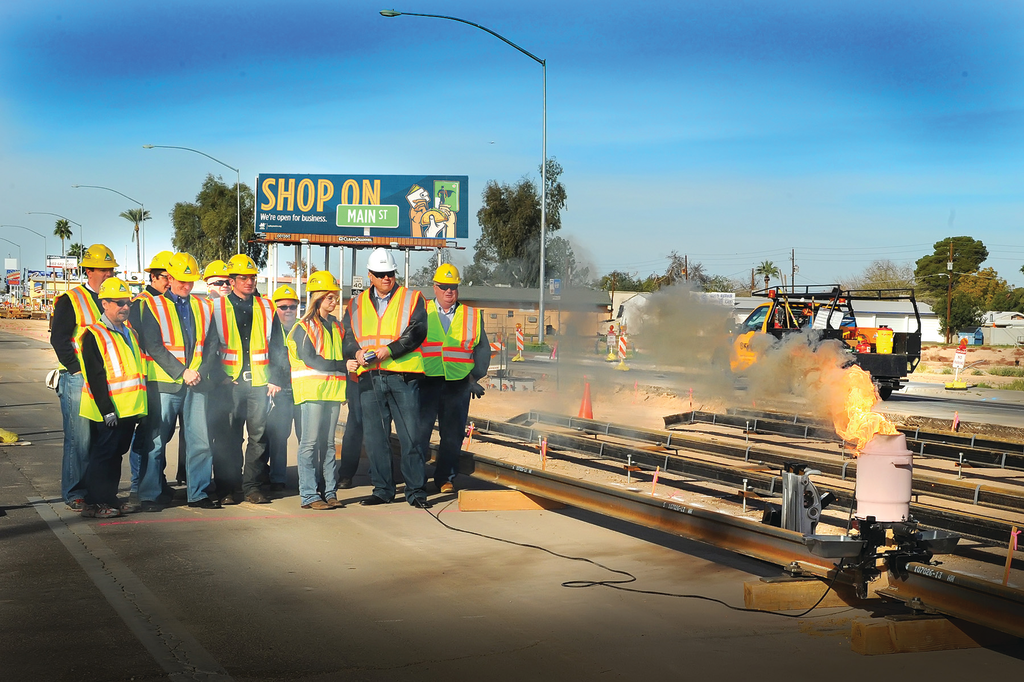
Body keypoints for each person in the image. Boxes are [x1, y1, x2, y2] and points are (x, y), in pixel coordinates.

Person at [341, 248, 430, 508]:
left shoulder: (412, 298)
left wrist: (389, 350)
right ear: (370, 276)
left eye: (390, 274)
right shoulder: (355, 303)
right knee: (376, 438)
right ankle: (382, 490)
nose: (386, 279)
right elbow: (348, 336)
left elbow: (417, 331)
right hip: (370, 377)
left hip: (403, 377)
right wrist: (356, 351)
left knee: (410, 435)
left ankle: (415, 492)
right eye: (380, 275)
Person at [137, 253, 223, 509]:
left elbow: (211, 344)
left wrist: (199, 371)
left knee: (200, 441)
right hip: (165, 384)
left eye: (190, 282)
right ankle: (149, 494)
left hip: (196, 384)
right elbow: (153, 345)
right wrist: (182, 371)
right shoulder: (151, 306)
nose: (187, 286)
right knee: (155, 442)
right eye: (182, 281)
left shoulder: (203, 306)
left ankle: (198, 493)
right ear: (170, 278)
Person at [209, 254, 288, 504]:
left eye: (252, 277)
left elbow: (277, 345)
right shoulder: (217, 307)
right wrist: (220, 376)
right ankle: (227, 488)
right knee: (229, 438)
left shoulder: (266, 306)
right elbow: (208, 345)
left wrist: (276, 377)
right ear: (232, 281)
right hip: (229, 384)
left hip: (258, 383)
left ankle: (252, 487)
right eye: (243, 277)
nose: (249, 281)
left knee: (258, 437)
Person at [49, 243, 117, 510]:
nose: (108, 275)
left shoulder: (115, 300)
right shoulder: (71, 299)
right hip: (78, 380)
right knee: (80, 439)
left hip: (104, 380)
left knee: (101, 440)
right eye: (103, 270)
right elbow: (59, 339)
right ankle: (75, 491)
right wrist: (76, 369)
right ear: (88, 271)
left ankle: (96, 491)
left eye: (110, 270)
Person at [78, 277, 148, 519]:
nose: (124, 307)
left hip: (128, 408)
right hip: (107, 409)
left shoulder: (129, 332)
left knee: (116, 455)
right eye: (118, 303)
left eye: (127, 302)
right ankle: (94, 502)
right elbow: (95, 377)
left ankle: (109, 497)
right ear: (104, 303)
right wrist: (107, 410)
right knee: (103, 455)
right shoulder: (94, 335)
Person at [418, 263, 489, 494]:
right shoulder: (421, 312)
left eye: (454, 287)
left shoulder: (471, 315)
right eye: (444, 287)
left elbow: (483, 350)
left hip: (458, 384)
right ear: (435, 287)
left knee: (452, 435)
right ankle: (417, 479)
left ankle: (445, 478)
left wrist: (474, 377)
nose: (449, 291)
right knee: (420, 433)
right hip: (426, 382)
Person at [286, 272, 349, 510]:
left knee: (330, 445)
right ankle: (310, 495)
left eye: (335, 297)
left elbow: (340, 355)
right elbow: (312, 359)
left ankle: (330, 493)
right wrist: (344, 365)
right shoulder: (303, 327)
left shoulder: (336, 326)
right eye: (329, 297)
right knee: (310, 444)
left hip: (332, 392)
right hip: (312, 392)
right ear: (317, 298)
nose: (334, 301)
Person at [125, 250, 174, 511]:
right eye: (167, 277)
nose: (170, 282)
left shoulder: (167, 302)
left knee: (159, 436)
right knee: (146, 435)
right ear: (153, 277)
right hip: (147, 378)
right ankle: (137, 485)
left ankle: (157, 480)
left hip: (163, 378)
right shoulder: (142, 303)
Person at [262, 284, 302, 491]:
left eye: (292, 307)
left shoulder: (303, 329)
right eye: (283, 307)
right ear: (274, 309)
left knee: (307, 437)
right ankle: (277, 478)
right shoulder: (268, 331)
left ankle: (307, 478)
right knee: (278, 436)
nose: (288, 311)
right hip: (279, 391)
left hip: (302, 389)